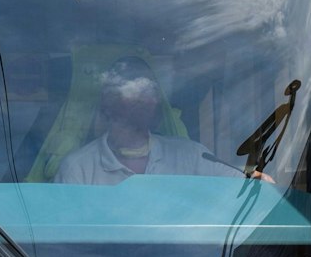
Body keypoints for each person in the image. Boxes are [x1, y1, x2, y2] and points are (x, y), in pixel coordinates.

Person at [55, 56, 262, 184]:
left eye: (152, 90)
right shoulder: (77, 169)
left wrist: (259, 183)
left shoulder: (191, 156)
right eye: (136, 90)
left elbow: (243, 186)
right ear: (108, 101)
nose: (150, 99)